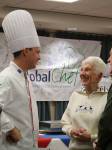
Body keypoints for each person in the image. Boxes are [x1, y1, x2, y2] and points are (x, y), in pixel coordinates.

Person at [0, 10, 40, 150]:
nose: (39, 57)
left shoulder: (25, 77)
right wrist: (10, 129)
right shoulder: (7, 77)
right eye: (37, 51)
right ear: (25, 51)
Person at [61, 56, 107, 150]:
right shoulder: (75, 95)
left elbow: (111, 130)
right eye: (81, 70)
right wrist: (71, 131)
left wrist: (92, 137)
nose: (82, 73)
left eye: (87, 70)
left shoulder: (107, 97)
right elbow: (65, 122)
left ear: (99, 76)